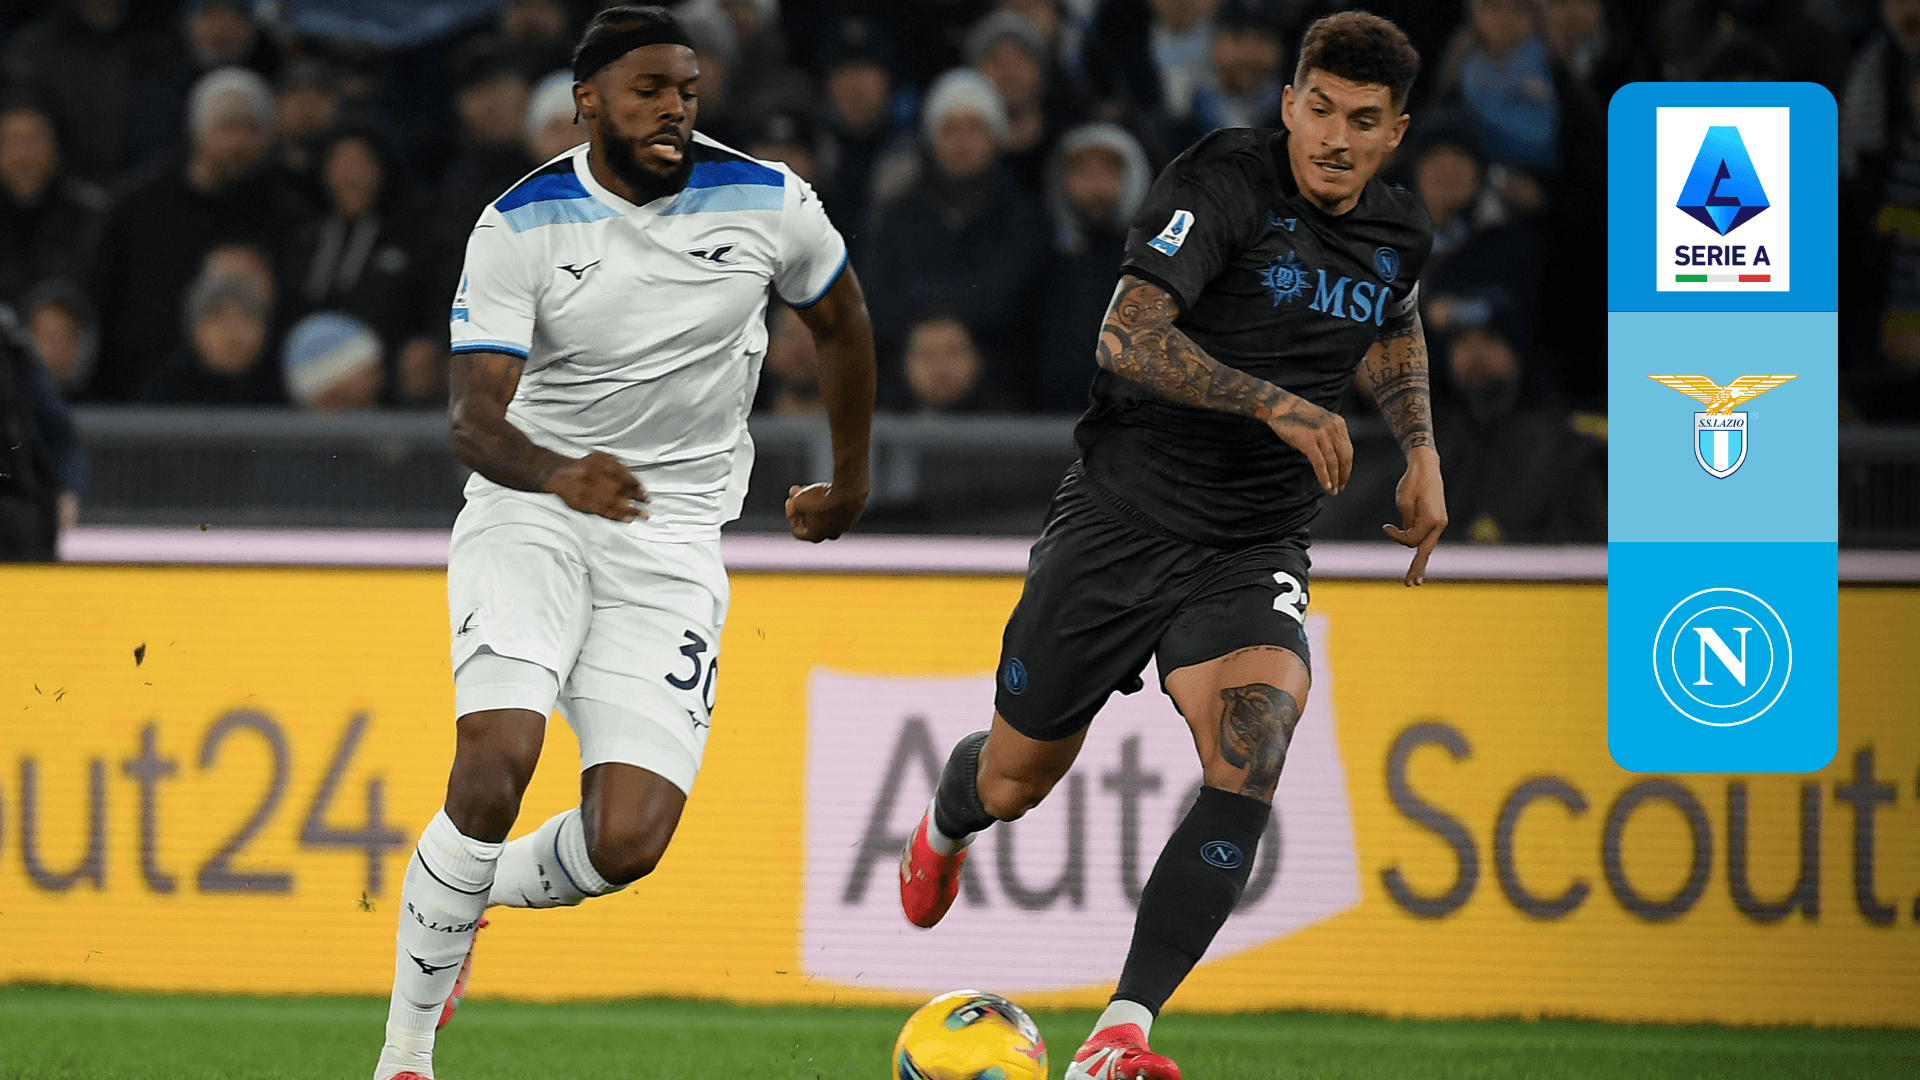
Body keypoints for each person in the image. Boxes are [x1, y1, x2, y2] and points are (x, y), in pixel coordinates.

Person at [895, 14, 1443, 1080]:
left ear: (1396, 132)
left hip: (1253, 541)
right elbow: (1126, 336)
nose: (1335, 138)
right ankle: (946, 824)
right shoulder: (1222, 183)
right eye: (1319, 109)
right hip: (1120, 519)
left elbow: (1392, 322)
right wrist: (1274, 402)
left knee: (1256, 743)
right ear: (1288, 105)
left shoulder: (1399, 230)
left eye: (1363, 120)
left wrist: (1420, 449)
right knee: (1012, 781)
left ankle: (1122, 1032)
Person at [370, 8, 874, 1080]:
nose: (674, 109)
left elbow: (842, 322)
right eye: (649, 90)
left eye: (687, 90)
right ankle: (405, 1055)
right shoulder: (519, 225)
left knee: (627, 843)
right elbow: (472, 421)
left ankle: (461, 900)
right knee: (496, 764)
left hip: (674, 535)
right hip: (533, 512)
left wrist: (853, 476)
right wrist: (561, 474)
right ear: (587, 101)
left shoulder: (770, 201)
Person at [88, 66, 311, 400]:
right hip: (144, 393)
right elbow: (103, 299)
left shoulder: (287, 214)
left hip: (256, 399)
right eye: (228, 127)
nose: (240, 142)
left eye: (253, 129)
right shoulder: (137, 208)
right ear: (199, 130)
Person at [861, 69, 1050, 407]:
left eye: (975, 128)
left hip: (1008, 394)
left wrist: (934, 313)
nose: (962, 142)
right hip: (905, 394)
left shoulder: (1025, 217)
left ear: (995, 136)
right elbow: (877, 296)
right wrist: (929, 333)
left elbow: (1015, 296)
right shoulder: (899, 216)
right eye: (950, 129)